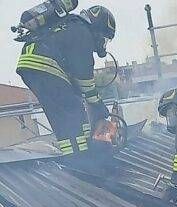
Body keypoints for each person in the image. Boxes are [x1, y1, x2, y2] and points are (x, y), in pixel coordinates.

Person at [16, 5, 116, 162]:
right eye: (105, 38)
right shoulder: (82, 33)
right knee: (72, 113)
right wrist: (97, 104)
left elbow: (73, 76)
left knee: (65, 113)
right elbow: (85, 79)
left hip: (29, 65)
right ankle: (79, 160)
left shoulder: (68, 25)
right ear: (98, 28)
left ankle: (78, 156)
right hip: (44, 65)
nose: (103, 43)